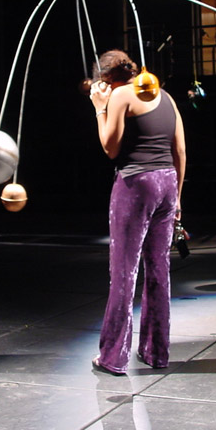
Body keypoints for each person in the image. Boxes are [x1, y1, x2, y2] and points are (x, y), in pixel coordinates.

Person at [88, 49, 186, 375]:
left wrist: (100, 109)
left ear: (107, 79)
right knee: (159, 272)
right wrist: (178, 198)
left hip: (136, 185)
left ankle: (113, 357)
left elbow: (109, 147)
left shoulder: (120, 96)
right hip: (168, 183)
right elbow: (180, 150)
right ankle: (156, 353)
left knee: (124, 273)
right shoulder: (167, 97)